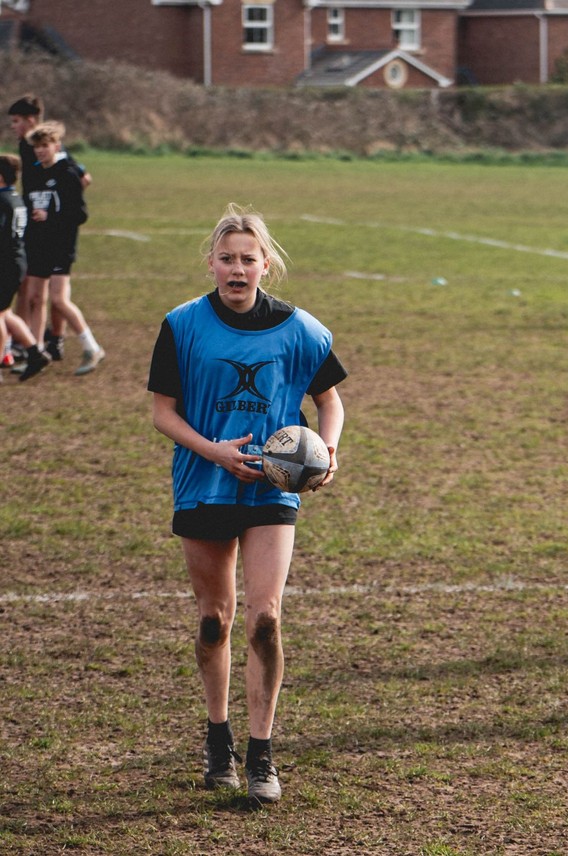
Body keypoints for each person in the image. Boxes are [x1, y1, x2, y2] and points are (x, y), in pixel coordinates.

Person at [148, 203, 346, 803]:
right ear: (211, 263)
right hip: (204, 482)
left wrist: (327, 449)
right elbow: (162, 413)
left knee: (265, 618)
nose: (238, 269)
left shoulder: (301, 329)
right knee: (216, 621)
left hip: (272, 489)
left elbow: (330, 402)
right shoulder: (182, 325)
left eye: (248, 259)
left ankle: (261, 754)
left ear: (267, 265)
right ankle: (218, 739)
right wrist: (215, 451)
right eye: (227, 258)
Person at [7, 94, 91, 365]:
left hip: (49, 228)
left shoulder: (45, 146)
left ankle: (45, 341)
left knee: (43, 291)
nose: (12, 127)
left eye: (16, 121)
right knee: (34, 289)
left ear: (31, 120)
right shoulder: (26, 145)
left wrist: (58, 201)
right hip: (35, 221)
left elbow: (81, 176)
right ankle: (36, 341)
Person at [22, 121, 103, 375]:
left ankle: (92, 347)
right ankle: (36, 352)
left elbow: (79, 214)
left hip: (61, 245)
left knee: (58, 299)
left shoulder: (67, 173)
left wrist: (50, 216)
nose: (40, 151)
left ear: (56, 146)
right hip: (38, 244)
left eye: (45, 146)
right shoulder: (34, 173)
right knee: (36, 298)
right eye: (37, 147)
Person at [0, 153, 48, 382]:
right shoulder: (15, 198)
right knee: (5, 313)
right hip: (16, 261)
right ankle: (34, 352)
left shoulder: (2, 201)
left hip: (5, 263)